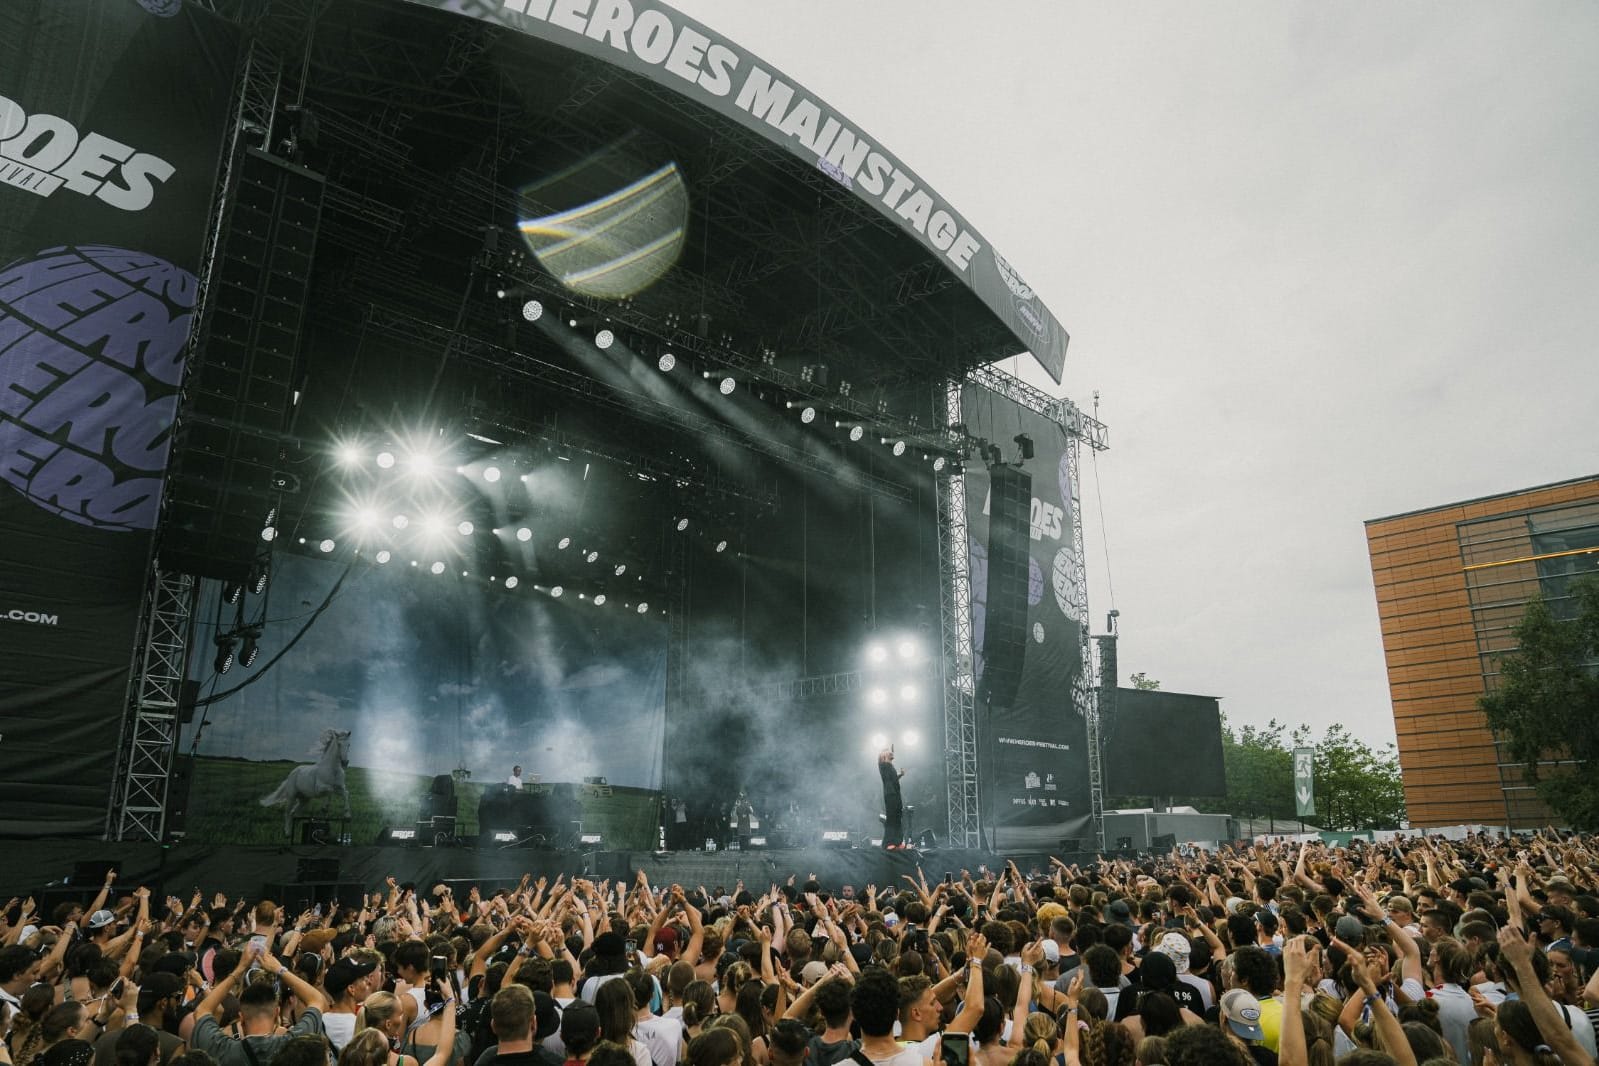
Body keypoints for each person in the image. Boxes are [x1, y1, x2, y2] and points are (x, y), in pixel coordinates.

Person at [877, 749, 903, 850]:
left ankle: (898, 842)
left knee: (898, 818)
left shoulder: (890, 766)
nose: (892, 754)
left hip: (896, 794)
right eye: (889, 753)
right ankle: (888, 843)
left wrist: (900, 774)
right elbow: (888, 779)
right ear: (884, 756)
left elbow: (893, 779)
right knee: (892, 818)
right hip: (890, 795)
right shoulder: (883, 765)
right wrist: (889, 752)